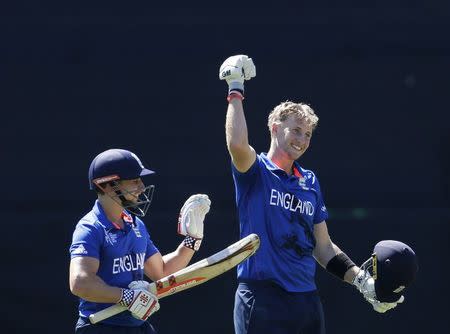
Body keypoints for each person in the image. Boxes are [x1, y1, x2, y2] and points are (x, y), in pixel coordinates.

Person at [219, 55, 407, 334]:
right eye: (296, 130)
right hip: (262, 298)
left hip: (306, 300)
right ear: (274, 128)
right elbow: (236, 145)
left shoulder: (309, 181)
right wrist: (235, 89)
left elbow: (323, 246)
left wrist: (362, 282)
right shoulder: (256, 170)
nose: (302, 140)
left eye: (307, 134)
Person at [69, 148, 210, 333]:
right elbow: (80, 283)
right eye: (135, 181)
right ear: (107, 185)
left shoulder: (136, 225)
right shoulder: (90, 228)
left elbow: (162, 272)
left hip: (137, 326)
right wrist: (125, 297)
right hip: (101, 327)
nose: (142, 187)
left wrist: (193, 240)